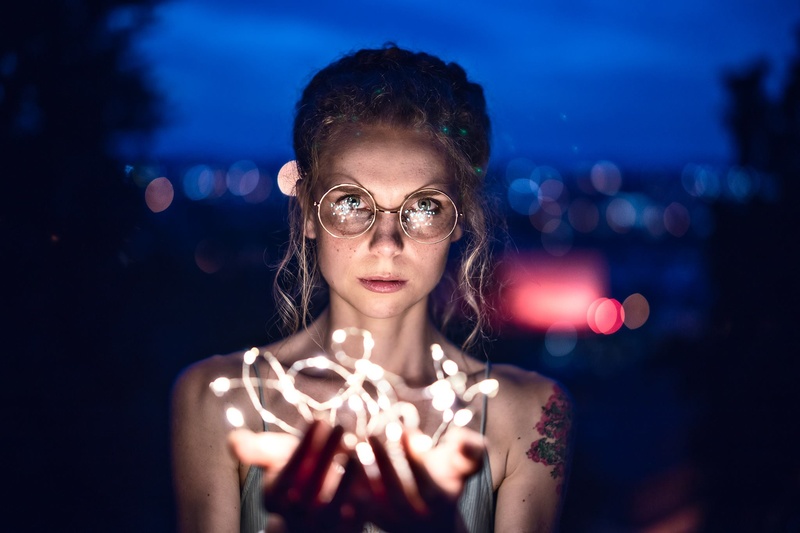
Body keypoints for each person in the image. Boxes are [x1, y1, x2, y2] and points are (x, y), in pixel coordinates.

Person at [171, 44, 573, 533]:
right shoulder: (221, 401)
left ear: (460, 216)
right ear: (306, 212)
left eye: (424, 206)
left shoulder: (528, 413)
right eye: (350, 202)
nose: (386, 243)